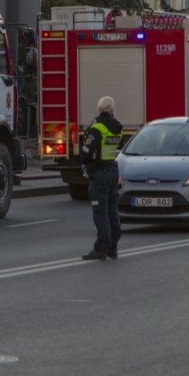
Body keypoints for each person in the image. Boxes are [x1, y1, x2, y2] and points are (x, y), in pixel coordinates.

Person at [79, 96, 124, 261]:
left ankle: (101, 248)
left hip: (99, 173)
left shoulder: (97, 128)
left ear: (99, 109)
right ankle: (113, 248)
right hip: (112, 171)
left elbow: (86, 153)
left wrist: (84, 159)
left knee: (100, 212)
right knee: (112, 211)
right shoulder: (117, 128)